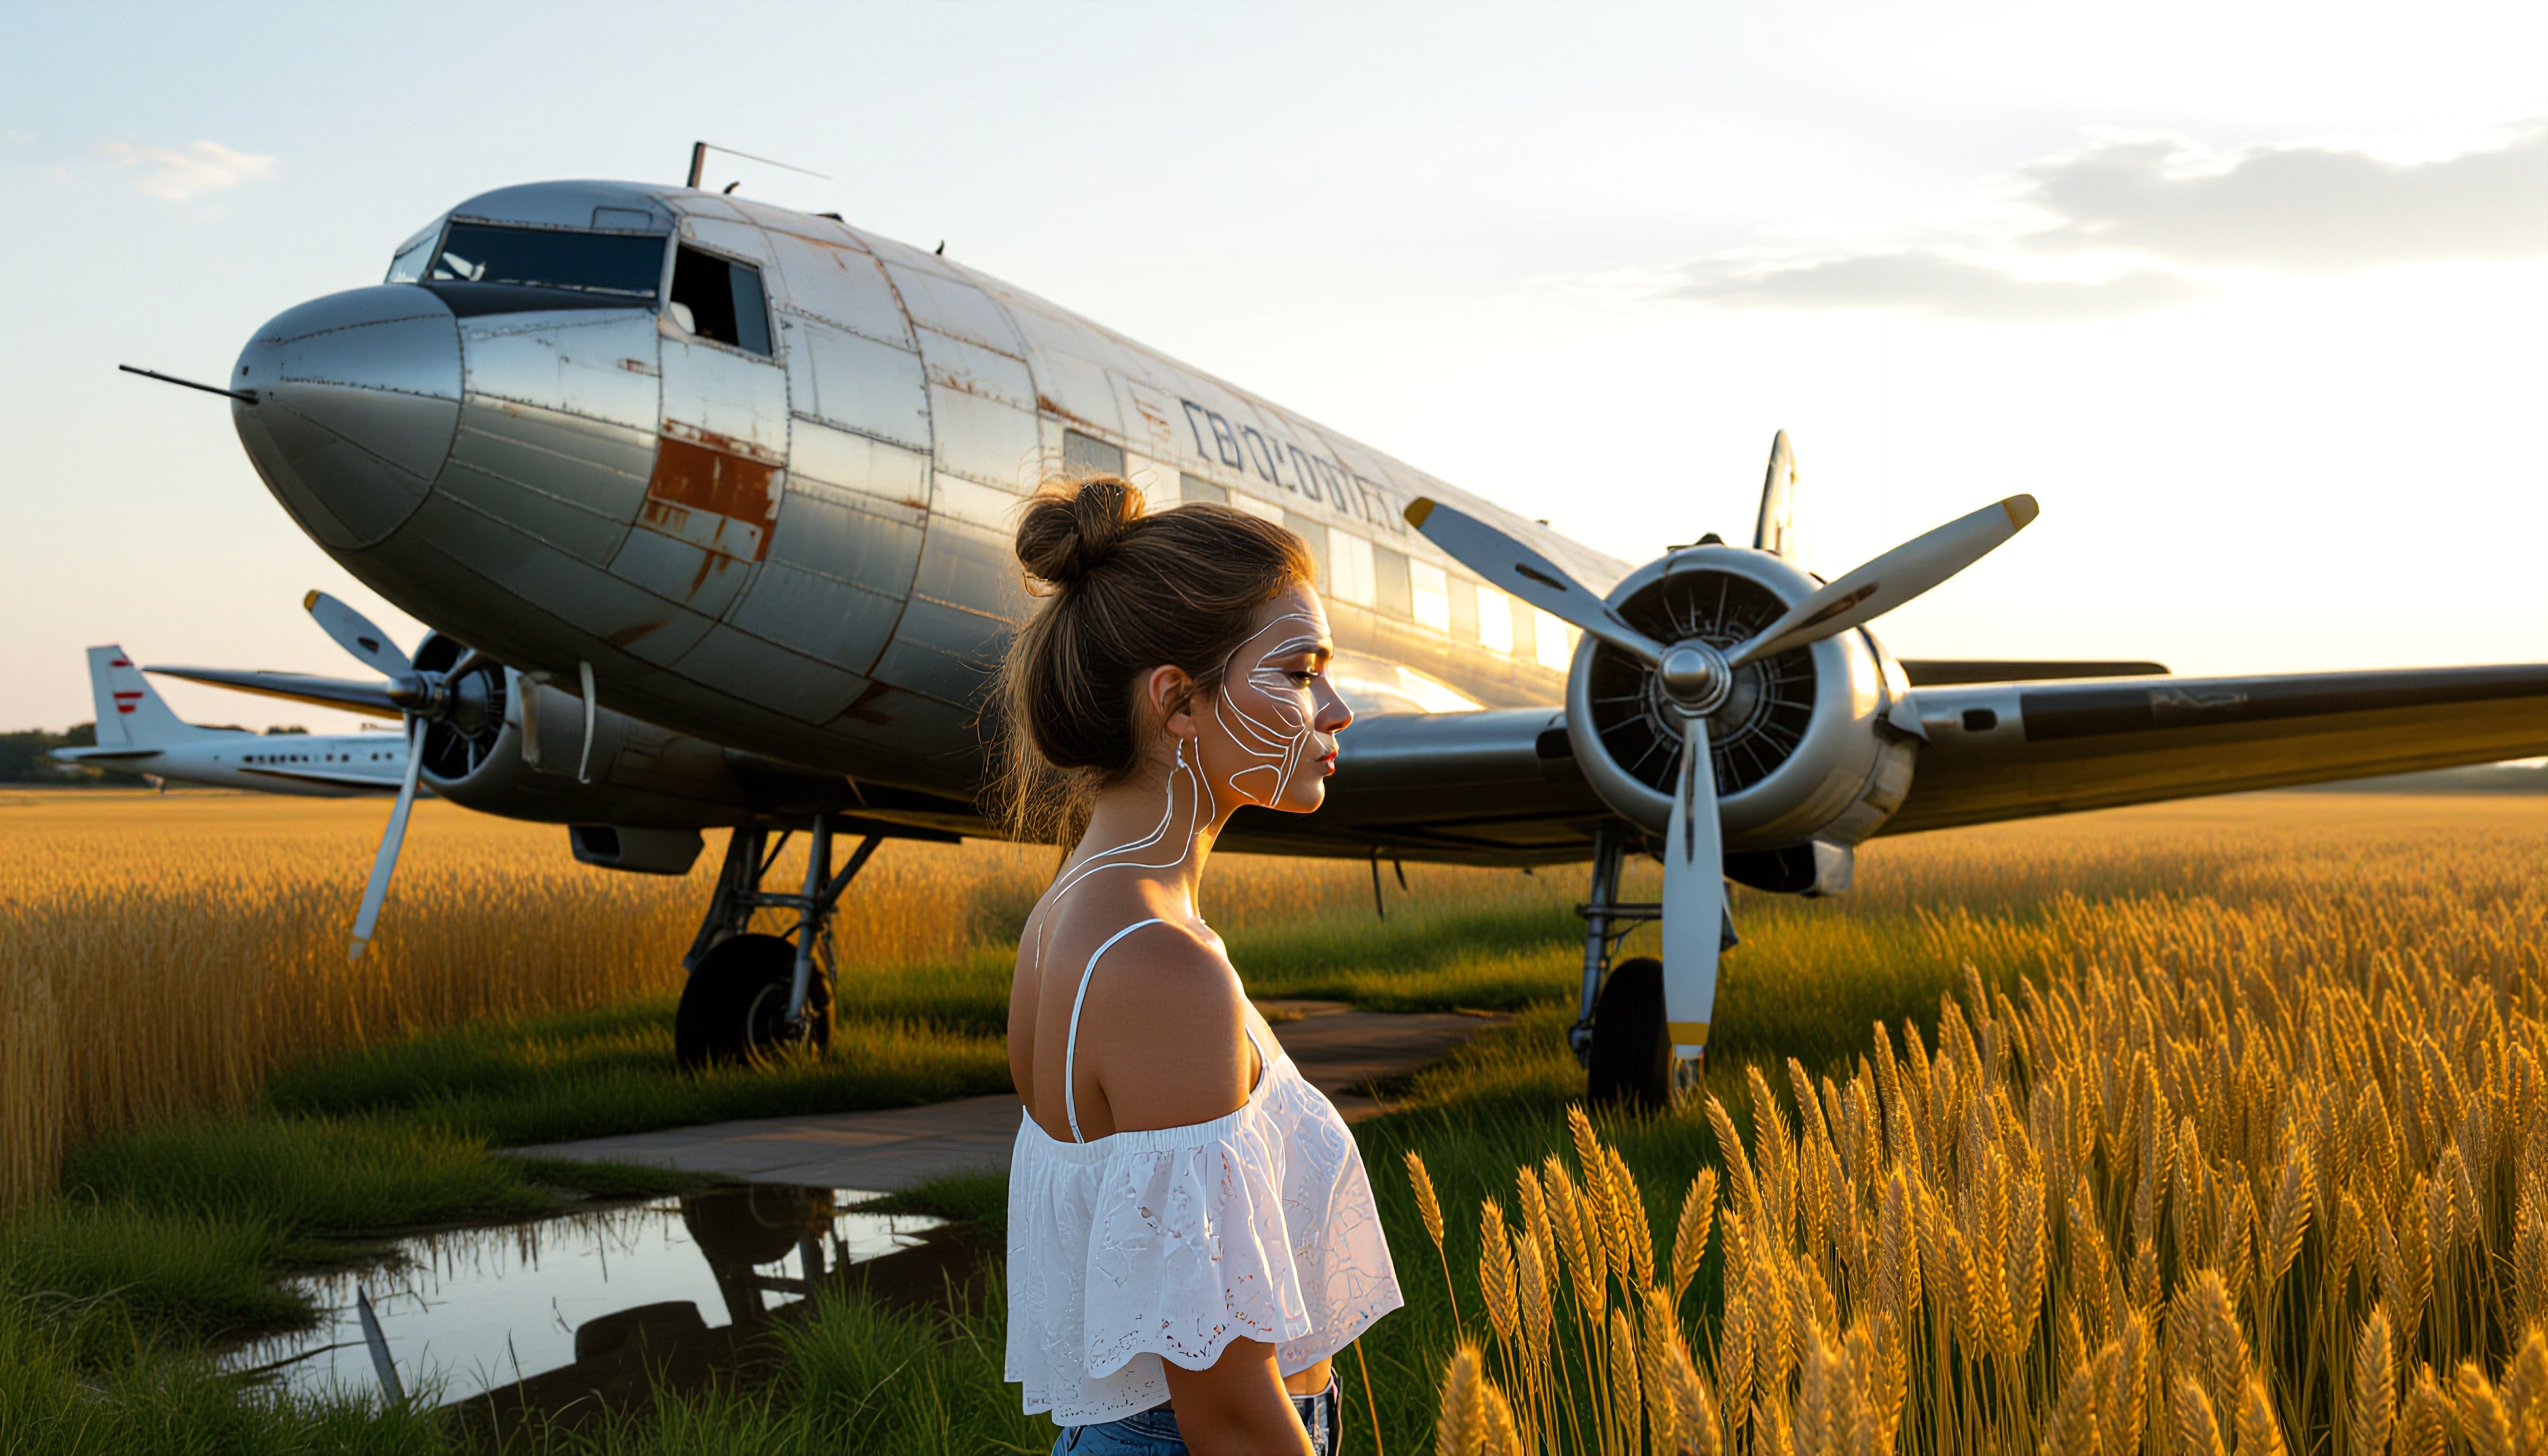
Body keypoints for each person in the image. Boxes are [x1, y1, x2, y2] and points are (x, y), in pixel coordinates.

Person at [1000, 477, 1401, 1454]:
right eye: (1300, 672)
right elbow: (1223, 1404)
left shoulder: (1069, 915)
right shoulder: (1160, 963)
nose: (1337, 708)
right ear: (1178, 700)